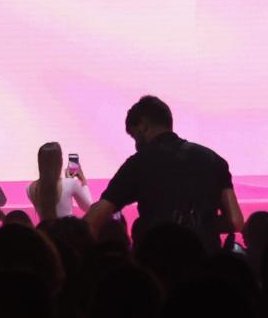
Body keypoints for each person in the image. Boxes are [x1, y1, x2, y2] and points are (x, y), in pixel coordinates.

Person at [87, 95, 244, 244]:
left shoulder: (138, 164)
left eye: (134, 136)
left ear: (143, 126)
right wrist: (201, 224)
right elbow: (235, 221)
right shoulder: (214, 160)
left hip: (159, 264)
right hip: (208, 264)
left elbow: (94, 219)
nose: (136, 145)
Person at [27, 140, 92, 222]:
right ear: (60, 161)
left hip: (43, 232)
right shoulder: (70, 184)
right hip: (66, 232)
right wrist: (84, 182)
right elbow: (90, 208)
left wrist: (69, 181)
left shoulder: (29, 188)